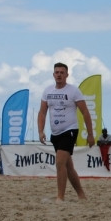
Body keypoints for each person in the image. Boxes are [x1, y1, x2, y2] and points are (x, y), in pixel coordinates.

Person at [37, 62, 95, 201]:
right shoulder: (47, 91)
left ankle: (60, 197)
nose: (59, 75)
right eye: (57, 72)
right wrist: (40, 131)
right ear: (53, 74)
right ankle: (81, 195)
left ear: (67, 75)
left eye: (62, 73)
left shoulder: (73, 91)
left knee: (59, 163)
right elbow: (42, 113)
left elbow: (85, 112)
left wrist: (90, 134)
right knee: (68, 167)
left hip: (70, 130)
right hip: (55, 133)